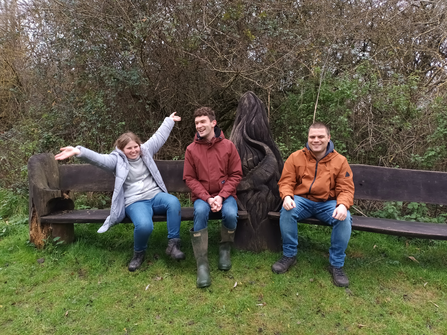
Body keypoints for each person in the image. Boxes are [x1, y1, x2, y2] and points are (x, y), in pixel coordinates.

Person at [54, 113, 185, 272]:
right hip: (135, 202)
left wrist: (169, 121)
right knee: (144, 226)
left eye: (135, 146)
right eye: (129, 148)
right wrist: (78, 151)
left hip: (155, 196)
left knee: (173, 202)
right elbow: (99, 159)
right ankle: (139, 253)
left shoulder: (146, 150)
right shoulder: (116, 160)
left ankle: (173, 245)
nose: (134, 150)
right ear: (122, 150)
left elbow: (159, 137)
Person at [271, 122, 354, 287]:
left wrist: (343, 205)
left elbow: (346, 188)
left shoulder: (340, 161)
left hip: (328, 203)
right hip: (302, 200)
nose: (316, 140)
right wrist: (287, 196)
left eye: (320, 136)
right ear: (308, 138)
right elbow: (286, 181)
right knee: (287, 212)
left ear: (328, 138)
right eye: (312, 137)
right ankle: (289, 256)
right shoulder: (295, 157)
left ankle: (336, 265)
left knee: (344, 219)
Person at [183, 107, 243, 288]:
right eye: (196, 123)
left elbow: (236, 174)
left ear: (213, 123)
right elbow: (189, 178)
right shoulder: (191, 150)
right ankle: (202, 263)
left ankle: (225, 248)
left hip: (226, 195)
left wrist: (222, 197)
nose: (199, 126)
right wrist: (208, 198)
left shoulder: (228, 146)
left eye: (203, 122)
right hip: (203, 197)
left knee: (231, 214)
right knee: (200, 212)